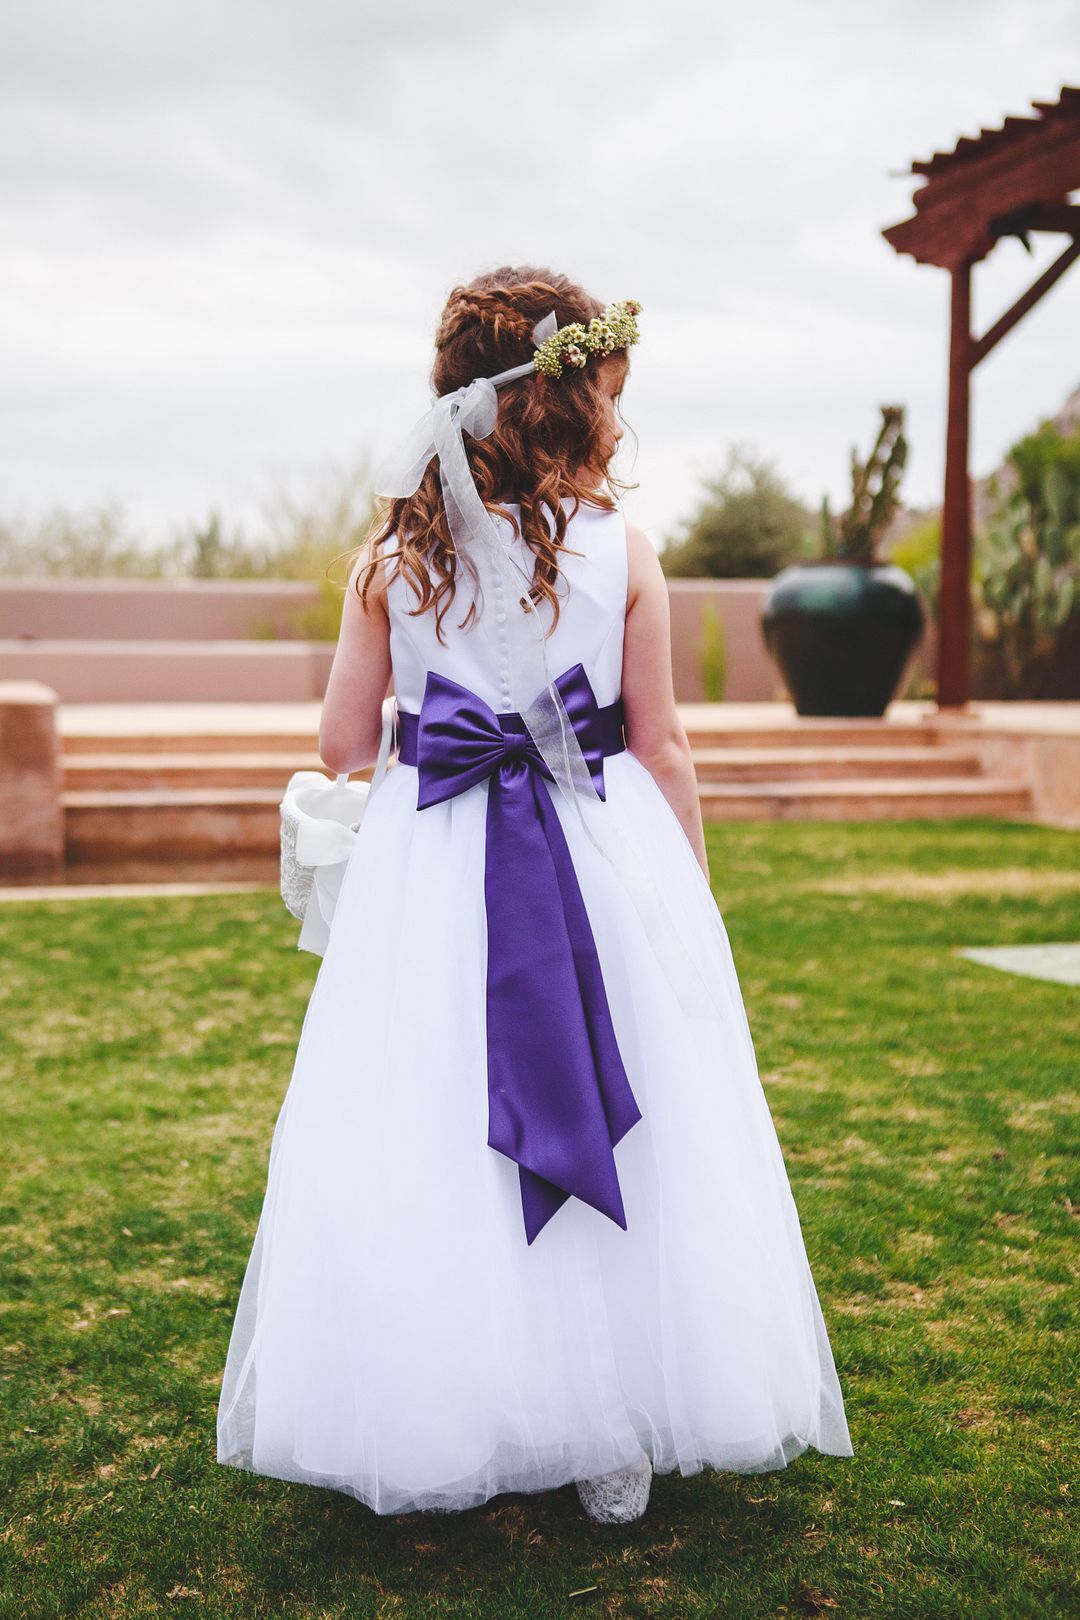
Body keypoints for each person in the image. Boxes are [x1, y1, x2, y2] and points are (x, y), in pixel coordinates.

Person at [215, 265, 854, 1523]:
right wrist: (688, 900)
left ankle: (446, 1408)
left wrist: (426, 706)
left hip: (439, 861)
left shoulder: (390, 564)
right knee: (632, 1090)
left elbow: (346, 741)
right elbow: (662, 744)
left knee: (437, 1110)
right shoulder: (625, 548)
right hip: (602, 850)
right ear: (573, 401)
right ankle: (613, 1421)